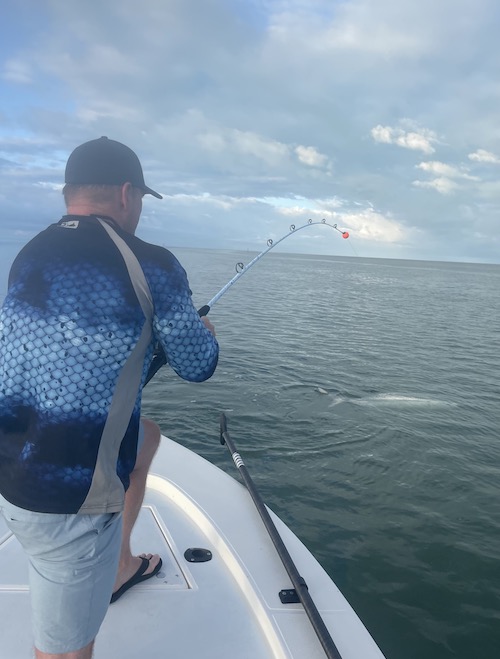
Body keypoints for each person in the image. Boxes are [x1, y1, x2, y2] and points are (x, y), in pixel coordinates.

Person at [0, 137, 219, 658]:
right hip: (63, 497)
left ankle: (120, 563)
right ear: (126, 193)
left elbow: (71, 349)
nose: (138, 210)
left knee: (147, 439)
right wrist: (202, 333)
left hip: (12, 454)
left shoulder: (30, 254)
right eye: (140, 199)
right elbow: (198, 365)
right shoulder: (152, 263)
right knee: (64, 651)